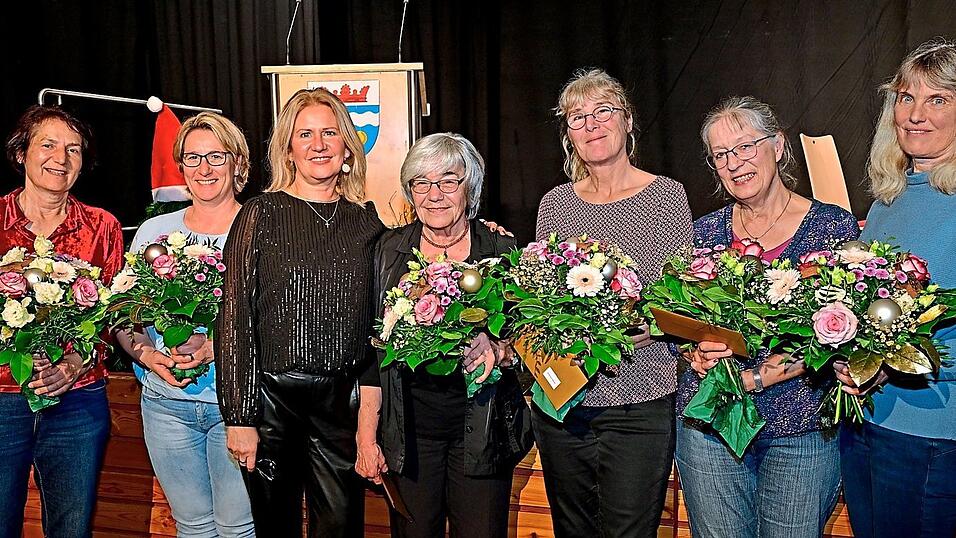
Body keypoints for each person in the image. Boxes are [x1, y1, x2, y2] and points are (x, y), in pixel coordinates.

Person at [677, 96, 860, 538]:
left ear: (777, 146)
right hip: (710, 428)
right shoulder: (702, 232)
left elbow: (847, 332)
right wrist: (692, 352)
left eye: (745, 147)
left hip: (800, 429)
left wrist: (758, 378)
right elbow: (679, 322)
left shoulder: (832, 228)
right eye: (721, 155)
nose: (735, 163)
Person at [532, 68, 693, 537]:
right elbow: (542, 298)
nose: (591, 124)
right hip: (564, 403)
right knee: (573, 530)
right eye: (577, 117)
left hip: (640, 402)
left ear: (627, 122)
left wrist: (648, 324)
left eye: (603, 111)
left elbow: (682, 299)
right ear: (568, 136)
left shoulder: (665, 196)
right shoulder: (555, 205)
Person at [216, 87, 383, 537]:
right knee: (275, 529)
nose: (318, 144)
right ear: (288, 149)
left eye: (330, 132)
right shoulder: (261, 212)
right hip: (271, 403)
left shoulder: (367, 221)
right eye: (304, 134)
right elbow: (233, 316)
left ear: (348, 144)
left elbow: (386, 318)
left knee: (342, 528)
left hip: (341, 407)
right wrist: (239, 416)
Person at [354, 132, 532, 538]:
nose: (435, 194)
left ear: (470, 187)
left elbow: (526, 339)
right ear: (409, 192)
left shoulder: (501, 249)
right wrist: (367, 435)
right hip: (409, 440)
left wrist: (499, 348)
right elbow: (372, 355)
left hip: (482, 434)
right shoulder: (388, 251)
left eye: (449, 180)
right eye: (422, 182)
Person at [836, 38, 956, 538]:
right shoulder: (891, 195)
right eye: (906, 98)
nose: (915, 115)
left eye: (938, 99)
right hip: (865, 423)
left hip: (929, 433)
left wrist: (895, 368)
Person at [116, 112, 254, 537]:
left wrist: (216, 346)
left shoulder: (259, 227)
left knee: (237, 528)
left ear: (238, 164)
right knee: (191, 527)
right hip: (165, 407)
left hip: (236, 408)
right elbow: (125, 315)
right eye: (192, 158)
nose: (204, 168)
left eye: (216, 156)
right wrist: (145, 353)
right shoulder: (154, 232)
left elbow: (275, 318)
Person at [0, 105, 124, 538]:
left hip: (78, 399)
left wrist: (71, 365)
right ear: (22, 154)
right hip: (2, 399)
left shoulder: (102, 227)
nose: (61, 158)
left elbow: (109, 315)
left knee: (72, 528)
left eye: (73, 149)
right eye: (48, 145)